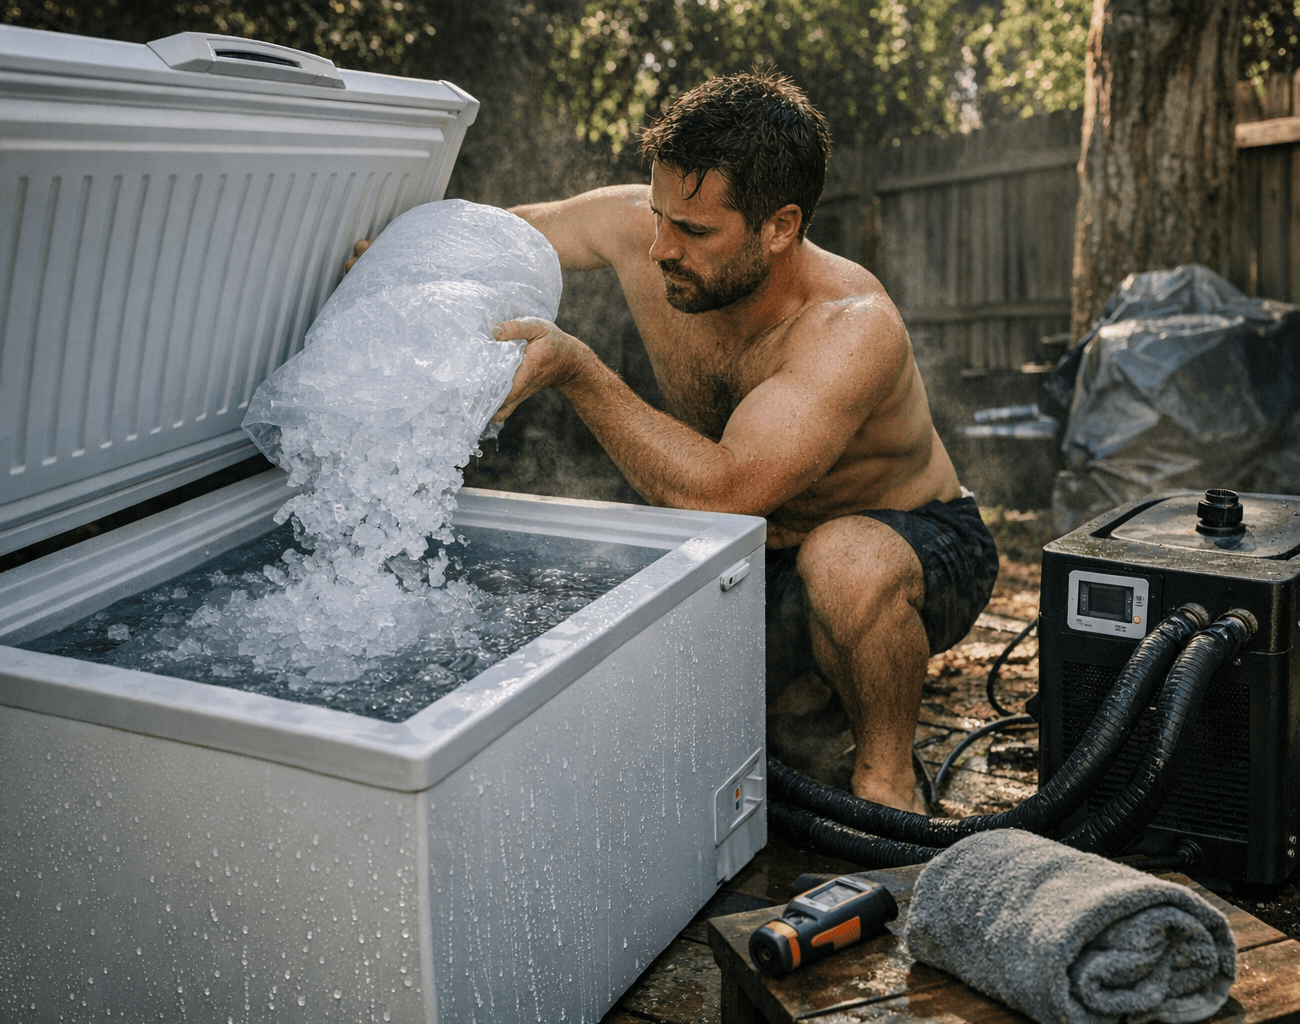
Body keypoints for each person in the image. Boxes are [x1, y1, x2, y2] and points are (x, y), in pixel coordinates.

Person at [356, 70, 997, 813]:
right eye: (659, 212)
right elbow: (490, 242)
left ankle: (887, 781)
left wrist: (576, 368)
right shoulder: (647, 227)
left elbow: (724, 493)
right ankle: (805, 696)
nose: (659, 246)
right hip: (752, 558)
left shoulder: (851, 327)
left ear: (780, 227)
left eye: (692, 230)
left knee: (844, 563)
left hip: (909, 544)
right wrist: (386, 267)